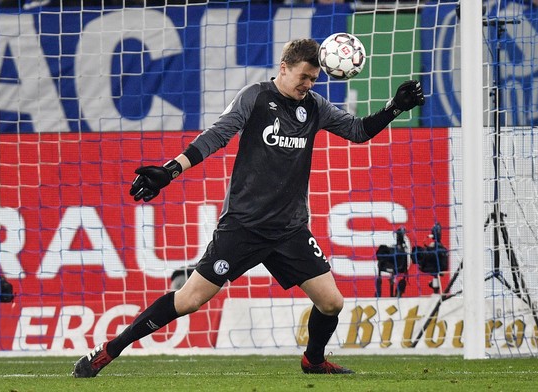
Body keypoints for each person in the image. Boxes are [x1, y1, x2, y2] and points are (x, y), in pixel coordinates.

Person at [72, 38, 424, 377]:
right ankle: (109, 350)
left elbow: (358, 131)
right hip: (243, 226)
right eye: (303, 76)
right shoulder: (255, 97)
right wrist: (170, 170)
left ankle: (313, 361)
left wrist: (394, 108)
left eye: (314, 79)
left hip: (289, 230)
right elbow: (216, 135)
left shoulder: (315, 106)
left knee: (331, 303)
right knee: (190, 299)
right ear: (283, 68)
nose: (308, 84)